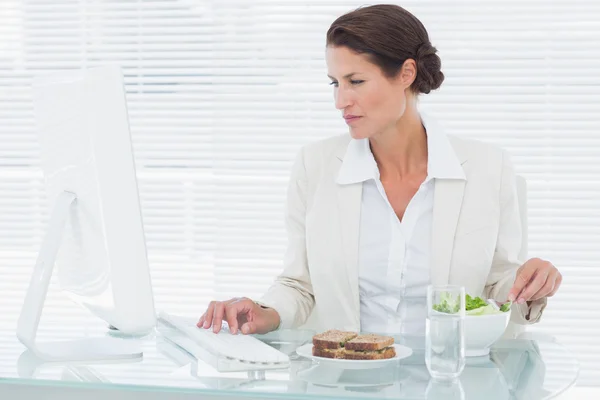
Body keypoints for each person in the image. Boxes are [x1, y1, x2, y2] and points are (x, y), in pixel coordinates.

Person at [197, 4, 562, 336]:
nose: (341, 101)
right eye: (334, 84)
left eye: (355, 81)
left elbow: (498, 289)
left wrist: (531, 283)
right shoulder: (316, 166)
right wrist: (266, 312)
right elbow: (299, 285)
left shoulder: (488, 168)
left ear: (406, 73)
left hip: (449, 378)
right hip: (345, 379)